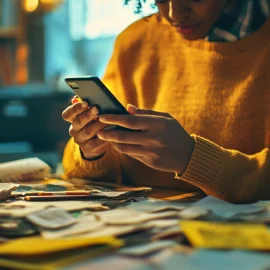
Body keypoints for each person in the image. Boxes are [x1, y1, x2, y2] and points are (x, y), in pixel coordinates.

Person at [62, 0, 270, 203]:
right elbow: (90, 179)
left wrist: (191, 158)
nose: (174, 14)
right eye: (160, 0)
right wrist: (92, 153)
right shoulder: (136, 40)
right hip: (143, 228)